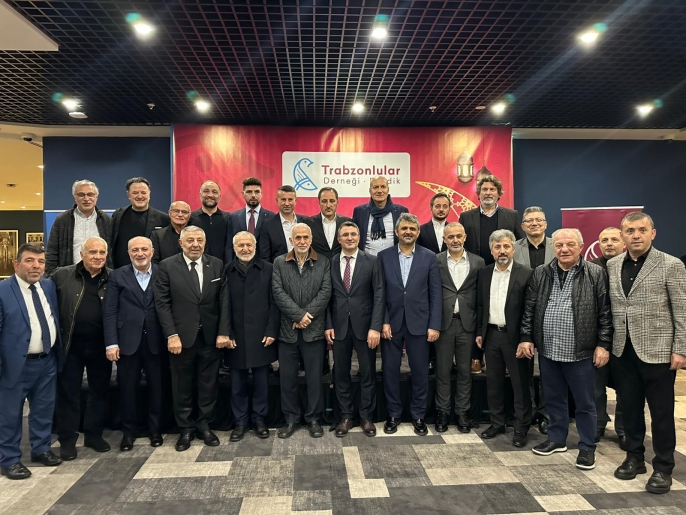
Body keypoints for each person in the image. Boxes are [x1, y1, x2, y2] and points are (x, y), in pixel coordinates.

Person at [520, 228, 612, 471]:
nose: (564, 249)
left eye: (570, 244)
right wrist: (526, 337)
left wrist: (603, 344)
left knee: (585, 403)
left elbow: (605, 312)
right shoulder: (541, 272)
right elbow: (530, 308)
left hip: (580, 351)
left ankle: (587, 447)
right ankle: (557, 439)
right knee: (554, 399)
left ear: (581, 246)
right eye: (559, 245)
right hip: (548, 350)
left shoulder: (595, 273)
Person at [608, 212, 686, 494]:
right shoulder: (613, 265)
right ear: (622, 235)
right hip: (623, 351)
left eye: (642, 230)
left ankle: (663, 467)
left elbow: (682, 311)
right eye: (630, 231)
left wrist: (680, 349)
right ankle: (634, 458)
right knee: (629, 409)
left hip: (659, 352)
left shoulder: (671, 264)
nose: (636, 235)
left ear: (653, 233)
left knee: (661, 413)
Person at [154, 226, 231, 451]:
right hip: (181, 339)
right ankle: (186, 429)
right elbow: (162, 303)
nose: (195, 244)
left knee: (209, 384)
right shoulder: (167, 266)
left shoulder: (216, 264)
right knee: (182, 385)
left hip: (210, 338)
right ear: (181, 243)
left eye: (199, 240)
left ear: (205, 243)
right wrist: (171, 335)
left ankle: (204, 425)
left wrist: (223, 332)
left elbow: (224, 301)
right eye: (190, 240)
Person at [0, 244, 62, 480]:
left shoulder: (48, 286)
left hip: (46, 361)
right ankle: (9, 459)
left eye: (41, 261)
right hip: (14, 365)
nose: (36, 266)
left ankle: (41, 449)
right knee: (9, 415)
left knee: (43, 410)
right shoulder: (3, 290)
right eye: (29, 261)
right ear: (16, 264)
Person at [377, 213, 441, 436]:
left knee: (420, 372)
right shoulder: (383, 257)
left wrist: (434, 325)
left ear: (418, 232)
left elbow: (435, 294)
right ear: (396, 231)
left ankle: (418, 415)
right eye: (404, 228)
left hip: (420, 324)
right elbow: (379, 293)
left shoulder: (429, 257)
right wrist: (383, 320)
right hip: (391, 324)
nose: (408, 232)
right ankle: (393, 414)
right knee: (390, 371)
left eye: (412, 229)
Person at [51, 237, 112, 460]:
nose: (97, 256)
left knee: (99, 391)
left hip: (100, 346)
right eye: (92, 252)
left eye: (102, 252)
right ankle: (67, 440)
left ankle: (94, 435)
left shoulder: (113, 277)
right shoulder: (61, 276)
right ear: (82, 254)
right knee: (68, 394)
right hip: (70, 346)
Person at [103, 236, 165, 451]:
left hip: (156, 341)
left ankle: (155, 430)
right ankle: (128, 432)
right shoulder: (117, 275)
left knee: (157, 389)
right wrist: (111, 343)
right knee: (127, 390)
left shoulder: (162, 272)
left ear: (152, 251)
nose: (140, 253)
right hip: (127, 343)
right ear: (128, 253)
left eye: (144, 249)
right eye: (135, 250)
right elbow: (110, 311)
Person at [458, 174, 525, 374]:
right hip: (476, 274)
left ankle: (506, 358)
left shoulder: (511, 215)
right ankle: (476, 357)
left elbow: (519, 242)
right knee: (477, 312)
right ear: (478, 194)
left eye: (492, 189)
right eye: (484, 189)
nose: (488, 193)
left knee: (501, 312)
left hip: (504, 271)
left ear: (499, 193)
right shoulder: (466, 216)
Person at [272, 223, 331, 439]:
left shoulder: (323, 262)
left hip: (313, 330)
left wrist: (306, 317)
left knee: (314, 378)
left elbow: (325, 292)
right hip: (287, 330)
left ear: (311, 239)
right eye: (298, 237)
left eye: (306, 237)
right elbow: (277, 292)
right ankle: (291, 419)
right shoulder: (279, 262)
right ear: (291, 240)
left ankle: (313, 418)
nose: (302, 241)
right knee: (287, 379)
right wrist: (298, 316)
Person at [325, 221, 385, 437]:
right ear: (339, 239)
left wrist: (375, 327)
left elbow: (379, 295)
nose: (349, 238)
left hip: (366, 328)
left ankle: (366, 417)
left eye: (353, 234)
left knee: (368, 373)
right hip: (339, 327)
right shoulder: (331, 262)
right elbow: (327, 297)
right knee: (341, 373)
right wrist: (328, 324)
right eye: (345, 235)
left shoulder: (373, 261)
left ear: (359, 238)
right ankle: (346, 416)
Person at [476, 230, 533, 447]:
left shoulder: (526, 273)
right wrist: (480, 332)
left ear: (513, 249)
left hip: (516, 339)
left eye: (506, 246)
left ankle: (521, 428)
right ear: (491, 250)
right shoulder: (484, 273)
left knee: (520, 385)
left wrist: (526, 338)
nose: (502, 251)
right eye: (497, 247)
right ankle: (497, 423)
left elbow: (530, 310)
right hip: (491, 335)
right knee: (494, 383)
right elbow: (481, 305)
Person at [223, 231, 279, 442]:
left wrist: (272, 330)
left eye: (249, 245)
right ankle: (240, 421)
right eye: (241, 245)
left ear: (255, 247)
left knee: (261, 382)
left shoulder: (269, 269)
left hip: (262, 335)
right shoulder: (226, 270)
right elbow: (221, 305)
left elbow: (275, 302)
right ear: (234, 248)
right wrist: (227, 332)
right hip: (235, 336)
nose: (245, 249)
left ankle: (259, 419)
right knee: (237, 383)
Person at [434, 222, 484, 433]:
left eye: (458, 236)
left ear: (465, 237)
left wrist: (480, 328)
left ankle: (462, 412)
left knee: (465, 371)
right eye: (450, 237)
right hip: (443, 324)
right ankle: (443, 412)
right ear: (444, 239)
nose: (455, 240)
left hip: (467, 323)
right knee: (443, 371)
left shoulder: (478, 262)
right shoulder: (435, 260)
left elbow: (481, 296)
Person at [513, 206, 554, 435]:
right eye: (529, 220)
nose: (534, 223)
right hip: (522, 316)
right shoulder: (513, 247)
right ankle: (526, 414)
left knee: (549, 371)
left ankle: (547, 415)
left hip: (551, 316)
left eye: (539, 220)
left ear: (546, 224)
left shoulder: (558, 246)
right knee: (523, 370)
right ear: (523, 226)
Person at [590, 227, 625, 446]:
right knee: (595, 387)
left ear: (623, 242)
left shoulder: (631, 267)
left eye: (614, 239)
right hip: (597, 339)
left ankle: (623, 429)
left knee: (626, 388)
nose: (609, 244)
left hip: (626, 339)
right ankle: (597, 424)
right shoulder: (591, 268)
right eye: (604, 240)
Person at [46, 180, 112, 275]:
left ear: (96, 197)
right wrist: (50, 275)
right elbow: (52, 251)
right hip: (70, 276)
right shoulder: (62, 220)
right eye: (81, 195)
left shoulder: (107, 221)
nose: (86, 198)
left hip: (101, 277)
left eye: (90, 194)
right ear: (75, 197)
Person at [110, 177, 170, 269]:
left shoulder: (163, 219)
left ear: (149, 194)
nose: (139, 196)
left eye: (143, 192)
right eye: (135, 193)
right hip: (120, 271)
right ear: (128, 195)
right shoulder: (118, 215)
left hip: (152, 272)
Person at [352, 176, 409, 256]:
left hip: (393, 260)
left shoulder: (401, 211)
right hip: (367, 261)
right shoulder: (360, 211)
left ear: (388, 190)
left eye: (383, 187)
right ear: (370, 191)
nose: (379, 191)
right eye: (375, 187)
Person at [226, 177, 275, 263]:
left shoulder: (271, 217)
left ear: (261, 194)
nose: (253, 195)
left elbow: (273, 246)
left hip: (264, 266)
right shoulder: (233, 217)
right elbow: (229, 246)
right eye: (249, 192)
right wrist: (229, 266)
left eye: (257, 192)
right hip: (239, 265)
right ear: (243, 194)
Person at [260, 185, 306, 263]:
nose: (287, 203)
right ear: (277, 200)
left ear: (296, 201)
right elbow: (265, 257)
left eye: (290, 199)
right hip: (277, 270)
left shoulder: (306, 222)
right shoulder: (267, 225)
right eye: (283, 200)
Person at [304, 187, 352, 261]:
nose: (328, 205)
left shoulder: (347, 223)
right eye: (324, 201)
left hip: (340, 266)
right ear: (319, 202)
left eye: (332, 201)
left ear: (337, 202)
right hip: (317, 266)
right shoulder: (308, 223)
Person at [189, 181, 229, 262]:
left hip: (223, 266)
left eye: (214, 192)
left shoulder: (228, 218)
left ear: (219, 196)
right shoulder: (190, 218)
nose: (210, 195)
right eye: (206, 191)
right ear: (200, 195)